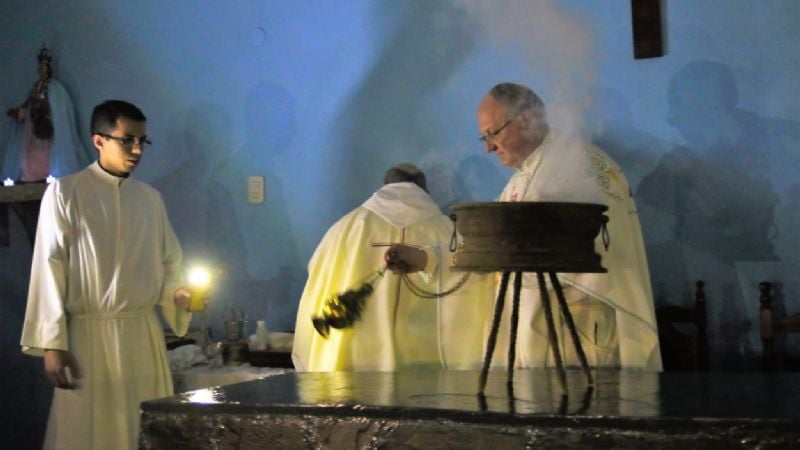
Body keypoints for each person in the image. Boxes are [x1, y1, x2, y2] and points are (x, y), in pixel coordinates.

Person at [386, 83, 662, 371]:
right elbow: (489, 242)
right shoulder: (525, 177)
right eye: (484, 137)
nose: (488, 147)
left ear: (527, 119)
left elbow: (587, 252)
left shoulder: (578, 165)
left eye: (493, 133)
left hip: (574, 333)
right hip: (537, 330)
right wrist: (425, 258)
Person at [20, 100, 194, 449]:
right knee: (87, 431)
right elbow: (49, 266)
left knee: (141, 428)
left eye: (142, 141)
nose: (137, 150)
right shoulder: (66, 193)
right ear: (98, 140)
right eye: (127, 140)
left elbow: (169, 265)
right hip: (89, 339)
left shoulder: (149, 199)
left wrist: (178, 294)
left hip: (141, 337)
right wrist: (52, 344)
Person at [292, 163, 493, 372]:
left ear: (383, 185)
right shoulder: (449, 232)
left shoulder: (344, 229)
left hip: (355, 360)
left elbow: (318, 281)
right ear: (425, 189)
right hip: (424, 359)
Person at [3, 45, 91, 182]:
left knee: (47, 155)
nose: (41, 71)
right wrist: (19, 113)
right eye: (39, 68)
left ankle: (49, 175)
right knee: (29, 155)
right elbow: (28, 107)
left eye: (43, 68)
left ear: (48, 69)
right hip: (32, 131)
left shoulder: (55, 88)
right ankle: (31, 177)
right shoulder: (34, 88)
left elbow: (59, 108)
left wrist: (46, 110)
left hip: (48, 129)